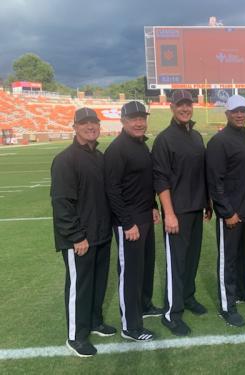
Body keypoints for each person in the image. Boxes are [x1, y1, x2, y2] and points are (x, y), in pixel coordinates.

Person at [51, 107, 115, 357]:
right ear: (75, 127)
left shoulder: (99, 157)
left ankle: (94, 322)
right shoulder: (65, 160)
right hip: (79, 239)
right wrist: (76, 236)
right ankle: (75, 336)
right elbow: (62, 203)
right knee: (80, 287)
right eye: (85, 123)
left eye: (94, 123)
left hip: (101, 234)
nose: (91, 127)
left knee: (98, 284)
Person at [152, 90, 212, 336]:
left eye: (188, 104)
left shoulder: (196, 136)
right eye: (180, 105)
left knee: (191, 259)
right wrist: (169, 213)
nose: (185, 109)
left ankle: (188, 297)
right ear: (172, 108)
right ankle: (171, 313)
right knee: (176, 263)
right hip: (177, 212)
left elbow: (202, 173)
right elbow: (160, 179)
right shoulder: (164, 139)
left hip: (196, 208)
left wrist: (207, 202)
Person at [206, 94, 245, 327]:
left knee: (244, 256)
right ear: (227, 114)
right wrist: (226, 211)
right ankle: (226, 305)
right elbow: (215, 181)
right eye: (235, 111)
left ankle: (242, 291)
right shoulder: (219, 142)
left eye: (243, 110)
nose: (240, 115)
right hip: (231, 213)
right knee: (228, 260)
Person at [104, 101, 161, 342]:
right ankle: (130, 326)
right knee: (131, 273)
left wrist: (153, 206)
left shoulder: (140, 145)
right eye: (133, 119)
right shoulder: (117, 149)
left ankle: (144, 306)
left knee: (146, 266)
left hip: (144, 215)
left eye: (142, 118)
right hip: (130, 221)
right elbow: (112, 190)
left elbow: (144, 182)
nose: (139, 123)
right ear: (123, 121)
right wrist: (127, 223)